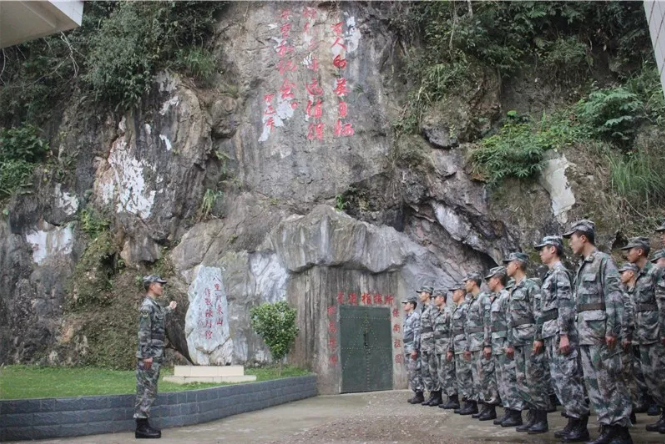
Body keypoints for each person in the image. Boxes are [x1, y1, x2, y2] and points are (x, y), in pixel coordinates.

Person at [564, 219, 632, 443]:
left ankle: (620, 430)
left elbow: (614, 297)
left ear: (583, 238)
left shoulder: (603, 261)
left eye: (572, 238)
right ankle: (607, 427)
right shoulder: (582, 266)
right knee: (594, 384)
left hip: (602, 334)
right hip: (586, 335)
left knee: (610, 382)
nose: (570, 243)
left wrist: (613, 330)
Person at [534, 236, 590, 441]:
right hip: (551, 333)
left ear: (553, 249)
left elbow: (565, 305)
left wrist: (564, 334)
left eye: (543, 249)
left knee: (569, 379)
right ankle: (572, 421)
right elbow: (544, 311)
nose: (541, 253)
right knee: (559, 381)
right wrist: (540, 336)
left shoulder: (560, 273)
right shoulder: (550, 275)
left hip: (560, 334)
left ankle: (580, 424)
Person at [504, 252, 552, 434]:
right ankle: (532, 416)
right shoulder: (513, 289)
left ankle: (541, 418)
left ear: (517, 265)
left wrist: (538, 338)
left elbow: (539, 314)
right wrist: (510, 342)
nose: (507, 267)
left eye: (509, 263)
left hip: (530, 338)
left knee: (535, 379)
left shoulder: (531, 286)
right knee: (522, 379)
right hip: (517, 339)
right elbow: (511, 319)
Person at [622, 236, 665, 434]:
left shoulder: (655, 272)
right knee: (650, 378)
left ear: (640, 251)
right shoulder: (638, 276)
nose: (627, 253)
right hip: (643, 335)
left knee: (660, 375)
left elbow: (662, 303)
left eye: (630, 250)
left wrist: (663, 331)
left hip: (655, 334)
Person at [135, 275, 177, 439]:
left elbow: (160, 315)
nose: (162, 287)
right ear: (152, 286)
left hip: (155, 355)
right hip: (149, 356)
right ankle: (141, 427)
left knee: (150, 388)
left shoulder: (154, 306)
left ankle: (144, 424)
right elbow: (144, 333)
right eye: (160, 284)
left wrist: (170, 308)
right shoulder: (147, 307)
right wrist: (147, 356)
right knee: (145, 389)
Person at [485, 266, 523, 427]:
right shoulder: (495, 298)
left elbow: (510, 321)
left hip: (504, 344)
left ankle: (515, 413)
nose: (488, 282)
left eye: (490, 279)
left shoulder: (506, 297)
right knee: (501, 380)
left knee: (509, 379)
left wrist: (509, 343)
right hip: (497, 345)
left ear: (497, 280)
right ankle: (508, 410)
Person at [463, 272, 498, 421]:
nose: (465, 284)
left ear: (473, 282)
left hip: (481, 344)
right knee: (478, 378)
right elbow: (468, 327)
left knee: (486, 377)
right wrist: (467, 346)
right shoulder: (472, 301)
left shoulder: (483, 298)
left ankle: (490, 408)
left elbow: (487, 323)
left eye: (467, 281)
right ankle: (484, 406)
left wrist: (487, 344)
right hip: (473, 345)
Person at [618, 262, 643, 422]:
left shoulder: (629, 293)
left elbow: (630, 316)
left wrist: (626, 335)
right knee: (626, 373)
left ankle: (635, 405)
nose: (621, 276)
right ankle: (630, 407)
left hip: (633, 337)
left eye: (623, 272)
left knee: (631, 373)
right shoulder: (623, 291)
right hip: (625, 337)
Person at [447, 283, 474, 414]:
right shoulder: (457, 309)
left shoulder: (465, 307)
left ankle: (471, 403)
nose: (453, 294)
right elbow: (453, 332)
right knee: (461, 376)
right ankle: (466, 401)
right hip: (457, 347)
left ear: (461, 293)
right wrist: (451, 348)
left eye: (454, 292)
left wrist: (467, 347)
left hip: (463, 346)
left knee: (467, 375)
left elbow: (468, 328)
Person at [433, 288, 458, 410]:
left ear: (442, 298)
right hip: (438, 348)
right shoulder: (437, 313)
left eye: (436, 297)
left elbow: (451, 331)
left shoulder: (448, 312)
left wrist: (450, 349)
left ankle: (453, 399)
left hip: (446, 347)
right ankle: (448, 397)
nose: (434, 300)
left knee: (448, 373)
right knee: (442, 373)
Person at [417, 286, 440, 406]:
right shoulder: (423, 309)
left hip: (431, 344)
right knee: (426, 371)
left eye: (421, 293)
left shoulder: (433, 308)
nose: (420, 295)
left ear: (427, 294)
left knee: (433, 370)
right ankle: (432, 394)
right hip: (424, 344)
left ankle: (437, 395)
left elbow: (435, 327)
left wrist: (434, 344)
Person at [402, 295, 424, 404]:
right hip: (407, 347)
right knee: (411, 371)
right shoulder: (407, 317)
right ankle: (416, 392)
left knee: (415, 371)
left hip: (412, 348)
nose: (404, 306)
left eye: (406, 303)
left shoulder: (415, 316)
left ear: (411, 305)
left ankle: (419, 394)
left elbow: (417, 333)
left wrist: (415, 349)